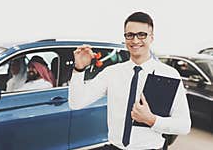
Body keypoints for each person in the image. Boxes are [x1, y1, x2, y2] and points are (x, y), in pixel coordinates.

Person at [69, 12, 191, 150]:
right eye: (130, 35)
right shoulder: (112, 72)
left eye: (142, 34)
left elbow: (184, 125)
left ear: (151, 37)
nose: (135, 40)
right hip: (115, 147)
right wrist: (79, 69)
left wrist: (151, 120)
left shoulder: (169, 74)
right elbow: (76, 103)